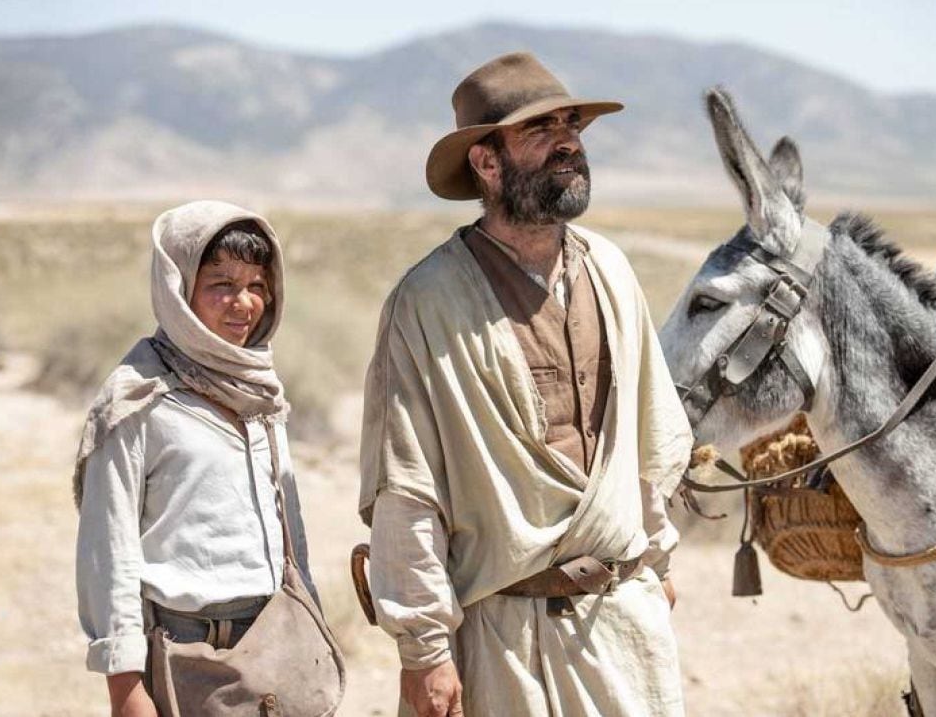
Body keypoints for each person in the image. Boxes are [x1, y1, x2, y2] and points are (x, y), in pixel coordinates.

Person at [360, 52, 693, 717]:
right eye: (541, 130)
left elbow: (646, 444)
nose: (570, 142)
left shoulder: (612, 271)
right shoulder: (428, 301)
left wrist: (655, 564)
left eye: (572, 124)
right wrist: (425, 648)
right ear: (486, 162)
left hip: (623, 621)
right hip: (504, 636)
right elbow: (408, 490)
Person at [74, 201, 319, 716]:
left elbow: (288, 524)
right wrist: (125, 685)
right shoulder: (138, 399)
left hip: (275, 641)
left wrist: (311, 624)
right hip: (182, 653)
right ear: (178, 289)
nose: (243, 303)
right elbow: (109, 549)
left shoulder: (260, 392)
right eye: (221, 284)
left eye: (256, 284)